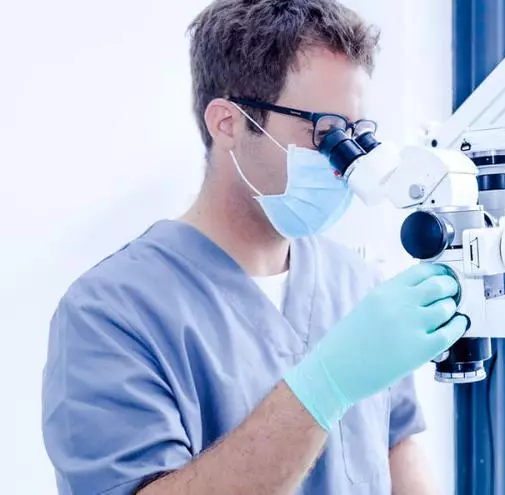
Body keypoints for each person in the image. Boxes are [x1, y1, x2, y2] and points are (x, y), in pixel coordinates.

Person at [41, 1, 467, 493]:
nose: (346, 164)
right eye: (325, 134)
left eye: (357, 134)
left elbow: (397, 442)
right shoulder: (109, 313)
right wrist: (323, 386)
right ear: (228, 123)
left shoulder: (357, 284)